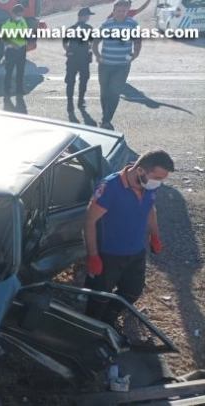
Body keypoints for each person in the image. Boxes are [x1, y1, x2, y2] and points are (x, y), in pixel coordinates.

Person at [83, 150, 174, 328]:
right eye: (157, 177)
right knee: (99, 297)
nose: (159, 183)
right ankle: (91, 328)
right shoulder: (110, 187)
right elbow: (90, 221)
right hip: (108, 254)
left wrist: (154, 234)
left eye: (163, 179)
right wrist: (93, 255)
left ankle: (109, 318)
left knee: (133, 292)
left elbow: (150, 209)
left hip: (136, 251)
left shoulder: (149, 185)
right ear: (140, 170)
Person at [92, 0, 142, 130]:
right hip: (105, 65)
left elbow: (137, 43)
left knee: (114, 92)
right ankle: (105, 116)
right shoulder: (106, 25)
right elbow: (95, 42)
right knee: (104, 92)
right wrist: (97, 55)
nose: (120, 13)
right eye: (118, 11)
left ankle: (106, 120)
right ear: (113, 11)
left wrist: (135, 54)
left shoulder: (133, 25)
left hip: (122, 66)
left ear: (127, 11)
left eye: (123, 11)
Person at [63, 7, 95, 113]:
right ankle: (80, 101)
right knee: (83, 80)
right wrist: (87, 48)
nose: (89, 17)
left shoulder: (71, 28)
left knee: (70, 81)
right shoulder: (89, 28)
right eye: (88, 15)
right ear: (83, 16)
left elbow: (64, 44)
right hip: (84, 59)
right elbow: (93, 43)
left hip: (72, 58)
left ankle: (69, 103)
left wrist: (69, 51)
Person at [1, 4, 29, 95]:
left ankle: (19, 90)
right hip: (11, 51)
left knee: (20, 71)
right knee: (9, 71)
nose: (20, 17)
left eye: (21, 15)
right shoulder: (7, 24)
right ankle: (7, 90)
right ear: (13, 13)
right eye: (18, 15)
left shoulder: (23, 21)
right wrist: (13, 44)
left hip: (22, 50)